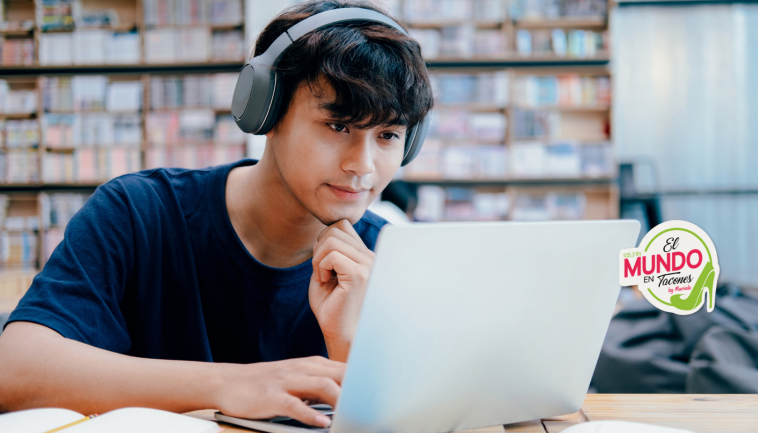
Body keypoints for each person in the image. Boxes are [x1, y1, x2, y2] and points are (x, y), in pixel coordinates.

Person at [0, 0, 433, 427]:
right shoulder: (139, 213)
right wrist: (230, 383)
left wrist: (349, 342)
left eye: (389, 135)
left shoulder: (387, 259)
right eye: (339, 126)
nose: (364, 165)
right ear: (266, 109)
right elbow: (15, 369)